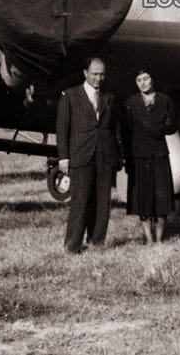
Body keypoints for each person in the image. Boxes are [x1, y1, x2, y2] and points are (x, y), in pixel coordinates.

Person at [56, 56, 123, 253]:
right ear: (85, 73)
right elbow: (62, 129)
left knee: (102, 203)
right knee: (80, 201)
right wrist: (63, 158)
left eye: (102, 74)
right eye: (95, 74)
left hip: (105, 156)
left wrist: (118, 155)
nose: (98, 78)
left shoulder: (109, 98)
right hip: (81, 155)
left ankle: (96, 243)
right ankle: (72, 245)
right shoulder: (69, 96)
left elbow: (115, 129)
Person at [122, 68, 176, 244]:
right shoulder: (131, 102)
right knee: (143, 199)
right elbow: (126, 131)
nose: (143, 83)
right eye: (139, 80)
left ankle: (159, 239)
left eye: (146, 79)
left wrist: (160, 128)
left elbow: (171, 126)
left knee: (162, 199)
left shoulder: (164, 100)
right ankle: (148, 238)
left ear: (153, 79)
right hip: (139, 155)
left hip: (159, 154)